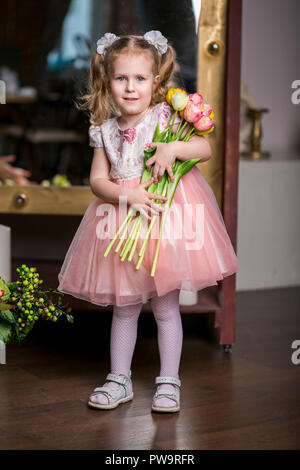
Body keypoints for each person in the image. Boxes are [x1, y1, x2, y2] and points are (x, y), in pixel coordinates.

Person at [57, 31, 240, 413]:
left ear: (156, 80)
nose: (130, 87)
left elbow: (204, 147)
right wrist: (129, 195)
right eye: (121, 78)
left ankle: (169, 382)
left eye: (140, 78)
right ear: (107, 80)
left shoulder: (166, 117)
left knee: (165, 306)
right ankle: (119, 378)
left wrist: (173, 149)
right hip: (121, 220)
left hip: (163, 223)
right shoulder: (103, 130)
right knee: (124, 308)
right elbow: (97, 182)